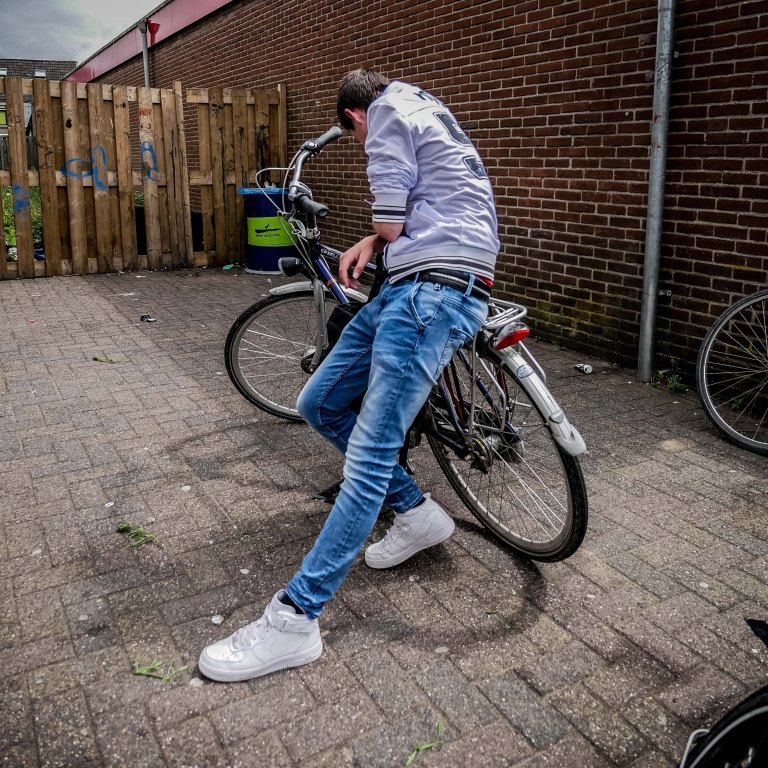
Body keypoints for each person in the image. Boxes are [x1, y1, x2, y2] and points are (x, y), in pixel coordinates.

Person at [199, 69, 500, 682]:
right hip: (415, 283)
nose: (363, 148)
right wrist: (375, 240)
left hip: (431, 294)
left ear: (353, 118)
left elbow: (392, 220)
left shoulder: (385, 114)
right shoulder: (425, 106)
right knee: (320, 402)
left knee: (367, 456)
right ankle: (415, 513)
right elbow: (413, 213)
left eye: (356, 141)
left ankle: (294, 622)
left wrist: (378, 232)